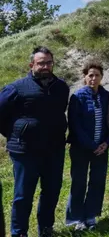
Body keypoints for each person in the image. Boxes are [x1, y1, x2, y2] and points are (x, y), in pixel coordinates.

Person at [0, 47, 69, 237]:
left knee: (52, 191)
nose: (45, 66)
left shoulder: (61, 87)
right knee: (23, 195)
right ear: (32, 65)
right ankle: (19, 232)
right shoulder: (16, 88)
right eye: (41, 63)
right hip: (25, 152)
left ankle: (46, 228)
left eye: (49, 62)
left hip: (54, 149)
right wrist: (16, 133)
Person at [65, 60, 109, 231]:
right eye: (90, 75)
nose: (93, 78)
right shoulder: (77, 97)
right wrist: (92, 145)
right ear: (85, 77)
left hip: (102, 149)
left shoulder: (107, 96)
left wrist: (106, 143)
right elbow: (75, 125)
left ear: (101, 77)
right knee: (79, 182)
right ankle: (76, 219)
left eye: (97, 75)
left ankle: (91, 215)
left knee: (97, 181)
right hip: (81, 149)